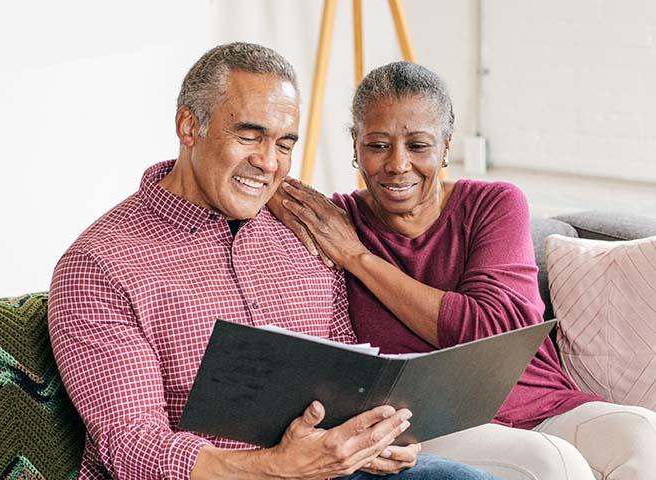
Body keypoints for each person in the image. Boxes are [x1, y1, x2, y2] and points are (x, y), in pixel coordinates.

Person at [48, 43, 499, 480]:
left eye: (285, 144)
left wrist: (378, 435)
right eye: (249, 136)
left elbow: (349, 372)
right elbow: (132, 444)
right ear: (189, 127)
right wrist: (280, 467)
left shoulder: (303, 229)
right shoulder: (100, 265)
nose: (268, 162)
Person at [268, 60, 656, 480]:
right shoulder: (333, 221)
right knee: (553, 463)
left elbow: (493, 330)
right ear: (355, 145)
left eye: (418, 145)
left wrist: (359, 259)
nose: (398, 165)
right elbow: (251, 177)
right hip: (432, 421)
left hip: (543, 402)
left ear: (446, 145)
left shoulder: (492, 204)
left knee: (642, 432)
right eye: (378, 145)